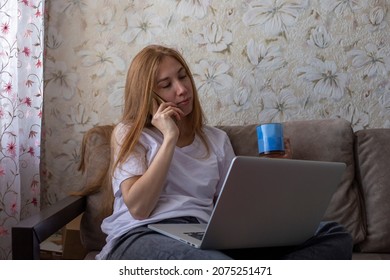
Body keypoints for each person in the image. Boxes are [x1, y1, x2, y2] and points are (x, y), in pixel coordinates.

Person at [96, 44, 353, 260]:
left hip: (204, 234)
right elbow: (139, 208)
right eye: (166, 85)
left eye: (183, 76)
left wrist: (276, 174)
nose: (182, 89)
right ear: (147, 96)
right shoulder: (129, 133)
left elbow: (236, 209)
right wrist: (170, 138)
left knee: (334, 235)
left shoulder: (216, 140)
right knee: (218, 266)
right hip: (142, 234)